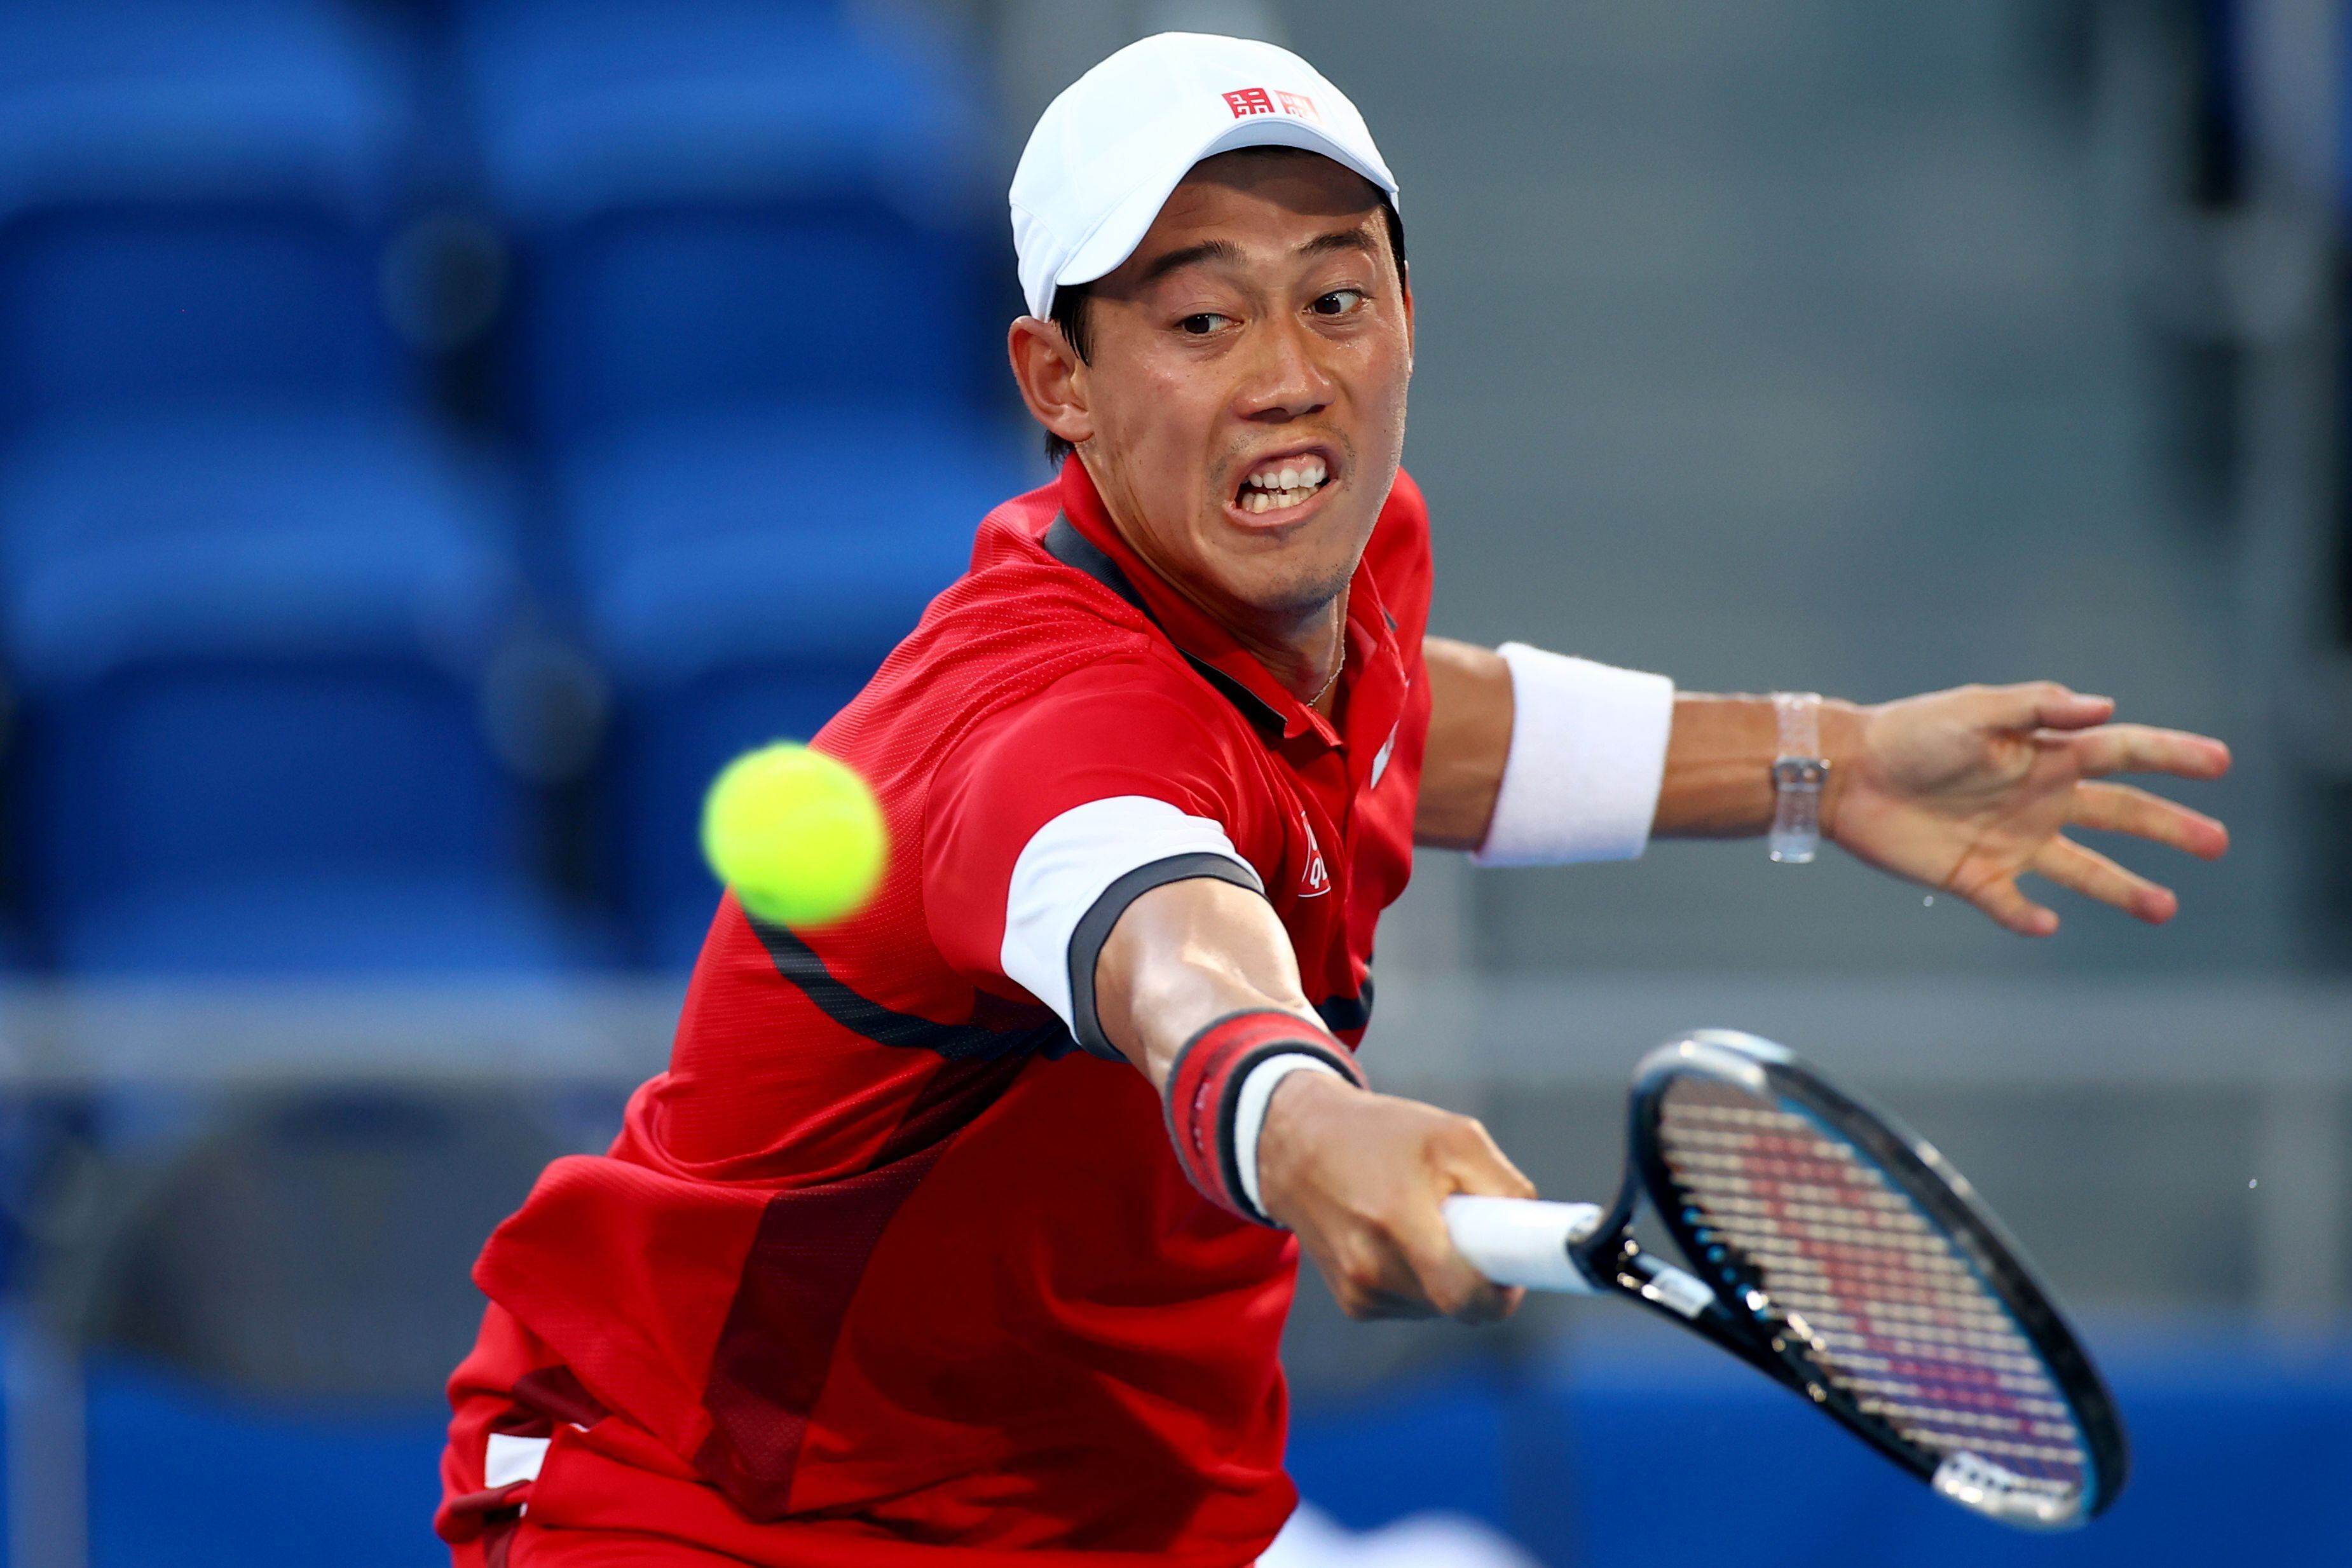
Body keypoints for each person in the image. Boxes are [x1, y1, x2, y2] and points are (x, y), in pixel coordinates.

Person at [437, 32, 2231, 1567]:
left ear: (1404, 317)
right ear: (1055, 382)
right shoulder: (1038, 724)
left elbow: (1407, 733)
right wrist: (1307, 1119)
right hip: (715, 1509)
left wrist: (1818, 765)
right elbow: (1167, 949)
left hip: (1103, 1508)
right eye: (1200, 314)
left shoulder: (1344, 563)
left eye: (1333, 293)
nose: (1288, 370)